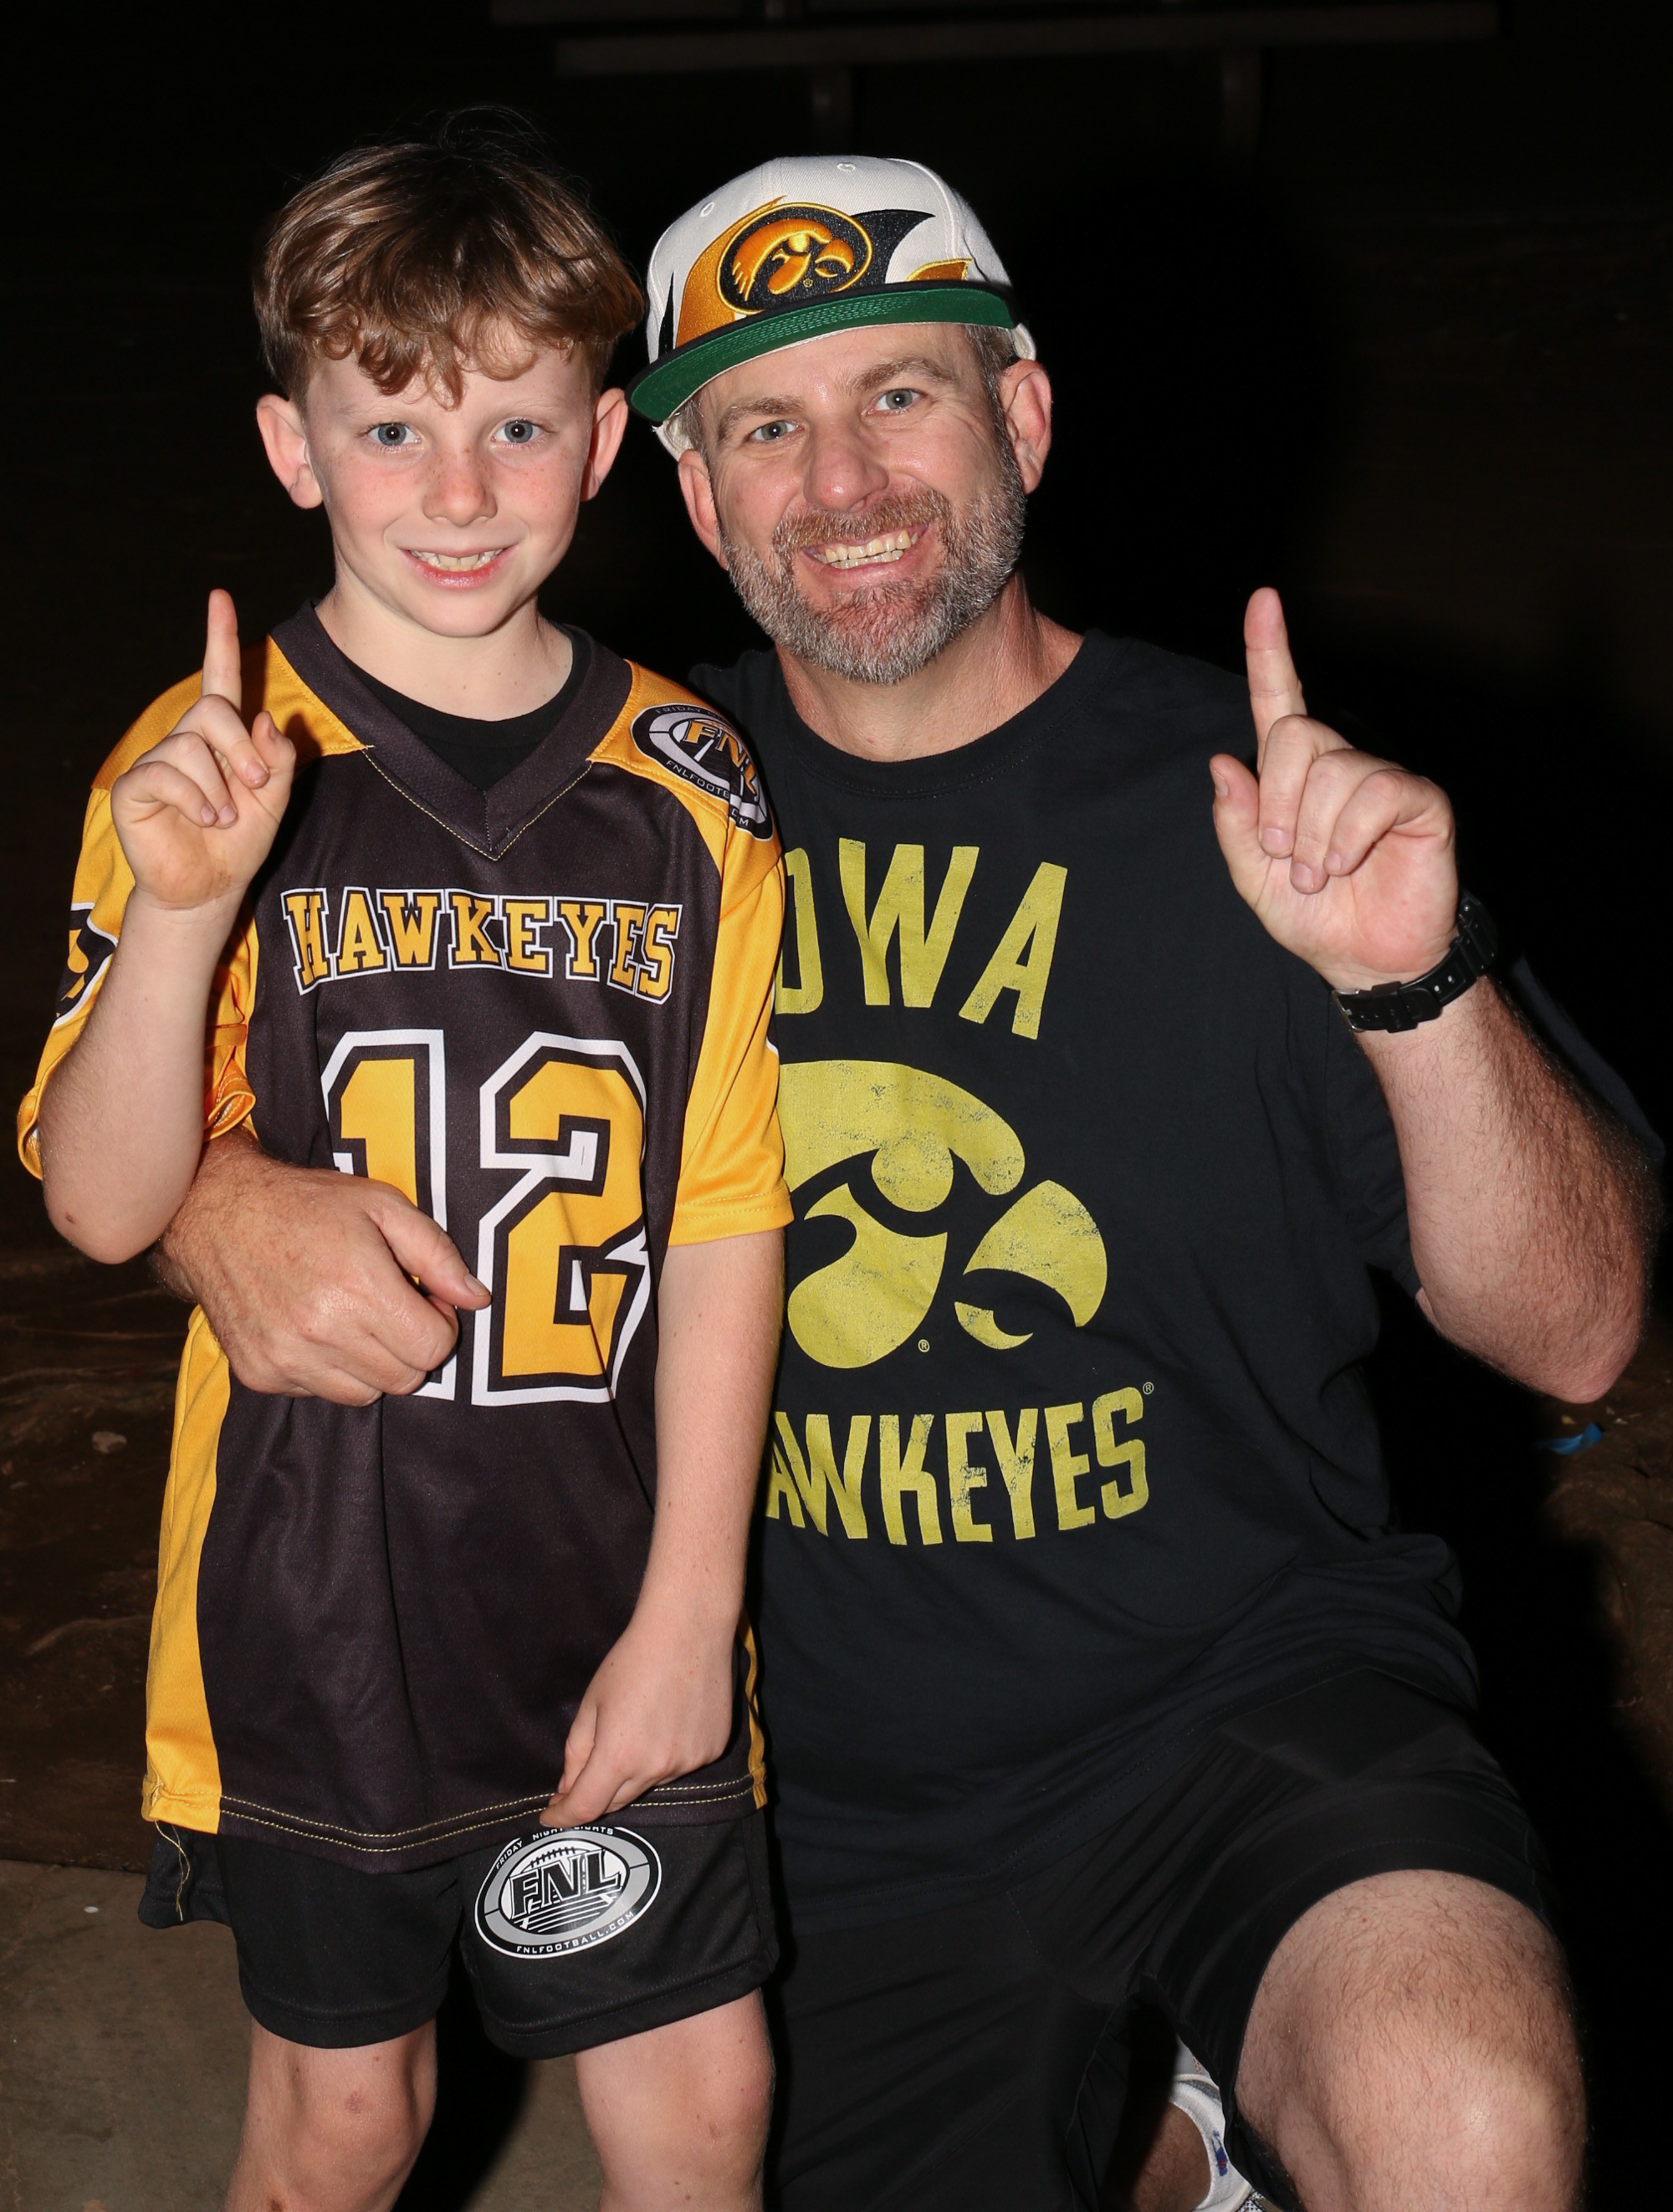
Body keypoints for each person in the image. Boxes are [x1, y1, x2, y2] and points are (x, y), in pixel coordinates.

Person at [150, 156, 1658, 2212]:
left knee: (1459, 2119)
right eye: (765, 426)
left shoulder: (1249, 802)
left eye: (901, 395)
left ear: (1019, 414)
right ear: (690, 492)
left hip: (1245, 1699)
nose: (842, 482)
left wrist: (1414, 983)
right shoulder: (626, 816)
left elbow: (1573, 1327)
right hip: (832, 1801)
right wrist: (210, 1197)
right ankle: (1175, 2133)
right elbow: (220, 1089)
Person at [19, 120, 793, 2212]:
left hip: (608, 1580)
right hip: (316, 1609)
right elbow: (103, 1201)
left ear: (604, 439)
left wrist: (693, 1606)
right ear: (293, 446)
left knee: (701, 2109)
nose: (457, 492)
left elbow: (728, 1209)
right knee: (346, 2122)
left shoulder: (691, 789)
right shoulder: (206, 763)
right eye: (391, 428)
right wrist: (183, 913)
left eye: (517, 425)